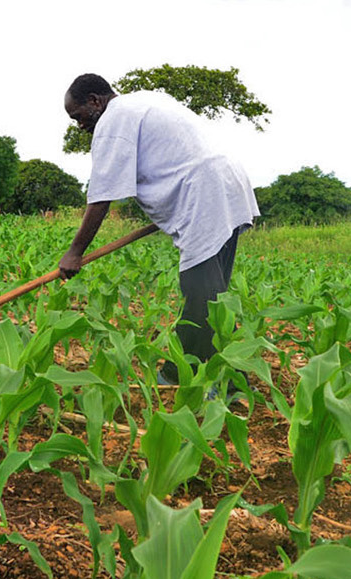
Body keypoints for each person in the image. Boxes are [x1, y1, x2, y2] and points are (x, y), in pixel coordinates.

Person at [56, 74, 259, 382]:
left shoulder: (113, 119)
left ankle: (206, 381)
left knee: (203, 296)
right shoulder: (144, 100)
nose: (79, 125)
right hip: (228, 182)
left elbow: (101, 198)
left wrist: (75, 252)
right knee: (212, 295)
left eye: (78, 116)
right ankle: (197, 373)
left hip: (204, 192)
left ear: (95, 101)